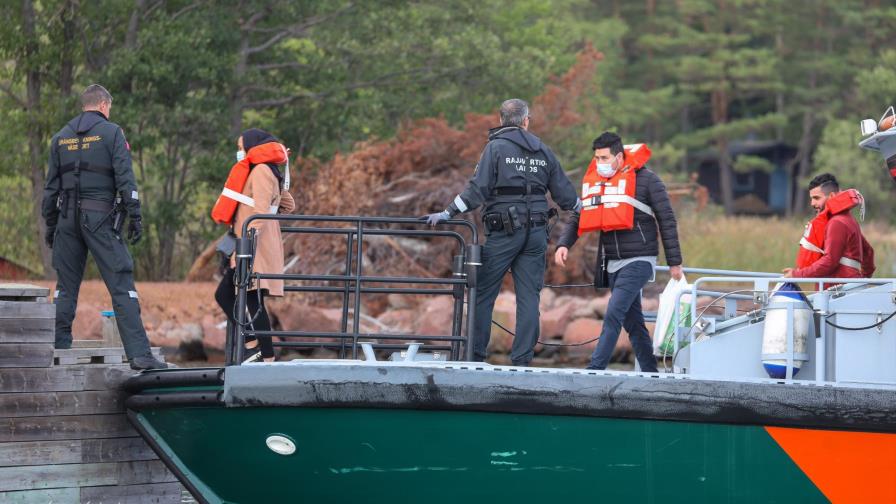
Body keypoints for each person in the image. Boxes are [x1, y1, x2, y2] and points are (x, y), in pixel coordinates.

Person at [424, 98, 581, 366]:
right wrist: (586, 208)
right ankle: (522, 362)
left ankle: (475, 359)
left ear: (500, 121)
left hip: (504, 233)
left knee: (484, 292)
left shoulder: (495, 149)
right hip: (536, 234)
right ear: (526, 121)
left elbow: (477, 190)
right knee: (529, 297)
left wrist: (447, 213)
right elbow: (568, 198)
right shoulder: (544, 151)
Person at [42, 84, 166, 370]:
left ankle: (59, 347)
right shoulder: (112, 133)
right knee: (121, 282)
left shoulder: (60, 137)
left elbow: (50, 190)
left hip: (66, 220)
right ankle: (140, 355)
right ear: (103, 105)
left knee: (65, 287)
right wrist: (135, 216)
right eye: (109, 107)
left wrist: (52, 225)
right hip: (99, 219)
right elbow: (125, 178)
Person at [555, 132, 682, 372]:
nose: (599, 163)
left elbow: (667, 219)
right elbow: (579, 216)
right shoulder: (598, 182)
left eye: (604, 158)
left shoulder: (647, 181)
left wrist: (675, 262)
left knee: (613, 312)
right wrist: (564, 244)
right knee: (633, 323)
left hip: (640, 260)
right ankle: (651, 374)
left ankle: (595, 370)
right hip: (613, 262)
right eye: (597, 158)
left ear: (619, 156)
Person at [213, 129, 295, 363]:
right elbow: (289, 205)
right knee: (243, 297)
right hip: (255, 244)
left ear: (252, 146)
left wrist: (245, 244)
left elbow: (259, 212)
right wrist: (274, 202)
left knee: (246, 298)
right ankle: (256, 347)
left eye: (241, 147)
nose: (240, 152)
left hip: (252, 246)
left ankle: (263, 353)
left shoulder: (259, 171)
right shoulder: (269, 170)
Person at [784, 173, 875, 281]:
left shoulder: (836, 223)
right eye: (811, 198)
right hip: (849, 289)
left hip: (838, 293)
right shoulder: (848, 220)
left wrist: (797, 275)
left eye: (816, 198)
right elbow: (868, 252)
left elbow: (830, 261)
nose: (812, 203)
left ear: (831, 196)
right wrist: (862, 279)